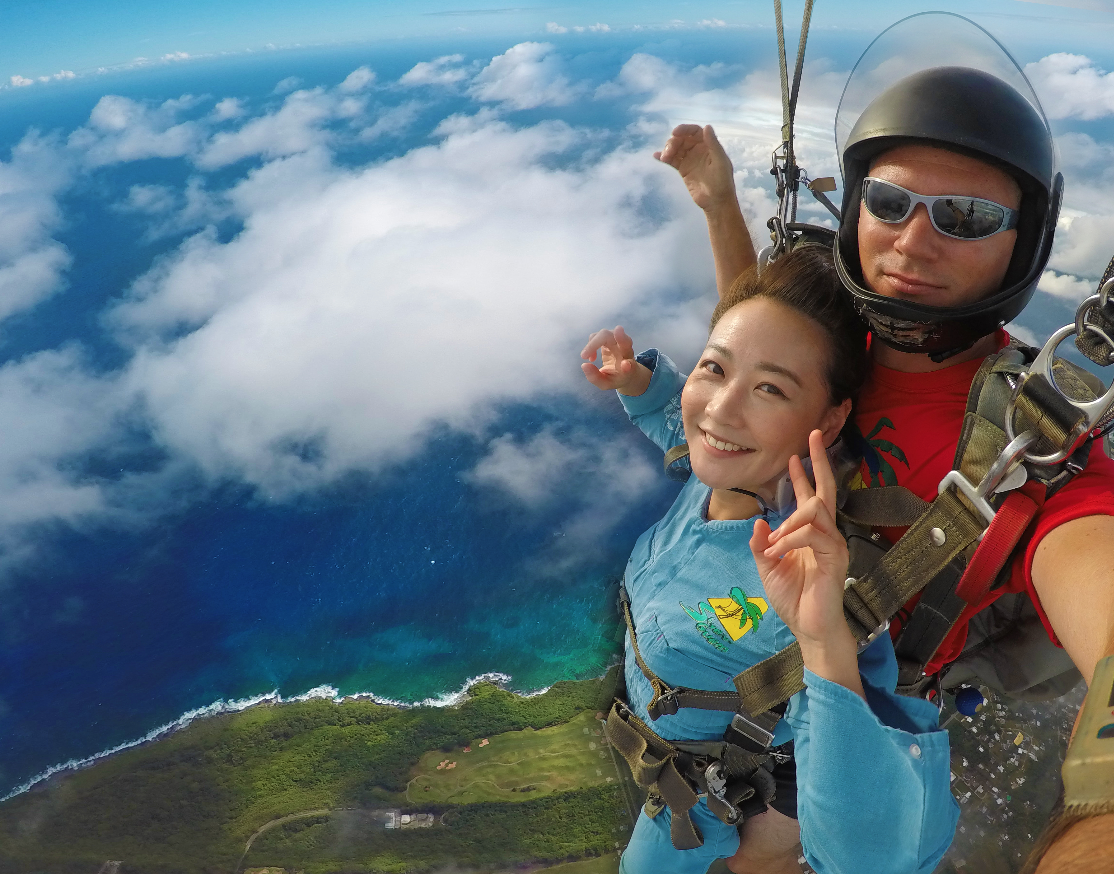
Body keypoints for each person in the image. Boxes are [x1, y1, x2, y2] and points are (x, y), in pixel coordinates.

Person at [655, 65, 1114, 872]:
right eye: (890, 203)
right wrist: (720, 204)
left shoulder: (1035, 446)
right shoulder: (839, 335)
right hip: (739, 661)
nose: (910, 241)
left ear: (1025, 242)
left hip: (843, 725)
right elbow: (762, 349)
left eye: (967, 217)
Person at [581, 247, 958, 874]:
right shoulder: (727, 473)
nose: (721, 410)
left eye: (770, 389)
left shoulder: (801, 576)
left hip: (713, 798)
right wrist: (638, 383)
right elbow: (683, 422)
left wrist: (824, 644)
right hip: (677, 775)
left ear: (831, 418)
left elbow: (882, 854)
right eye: (713, 368)